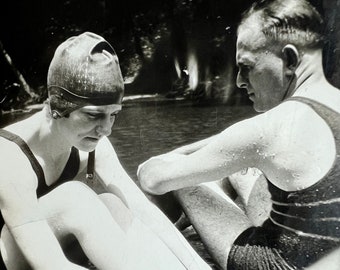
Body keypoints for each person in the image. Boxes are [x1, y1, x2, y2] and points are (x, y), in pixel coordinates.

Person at [137, 0, 340, 269]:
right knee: (241, 171)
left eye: (246, 67)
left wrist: (162, 162)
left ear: (290, 60)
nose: (239, 82)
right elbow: (239, 145)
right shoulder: (329, 103)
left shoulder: (270, 128)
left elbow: (153, 180)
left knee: (180, 179)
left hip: (280, 264)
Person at [0, 32, 211, 270]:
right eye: (93, 115)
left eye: (114, 115)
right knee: (75, 198)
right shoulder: (8, 158)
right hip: (19, 258)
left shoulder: (94, 143)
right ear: (55, 108)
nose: (106, 129)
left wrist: (197, 266)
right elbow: (49, 264)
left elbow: (143, 211)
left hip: (53, 250)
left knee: (113, 202)